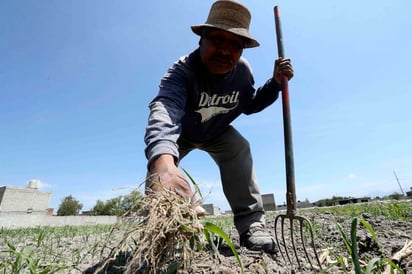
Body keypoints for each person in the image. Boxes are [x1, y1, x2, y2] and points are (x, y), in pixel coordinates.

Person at [144, 0, 293, 254]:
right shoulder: (182, 72)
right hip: (183, 132)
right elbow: (166, 111)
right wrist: (163, 162)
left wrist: (275, 84)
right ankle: (161, 227)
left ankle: (251, 225)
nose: (225, 50)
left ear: (242, 50)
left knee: (239, 147)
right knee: (163, 169)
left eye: (235, 44)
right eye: (217, 40)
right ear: (201, 38)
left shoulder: (242, 73)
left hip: (217, 131)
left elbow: (249, 105)